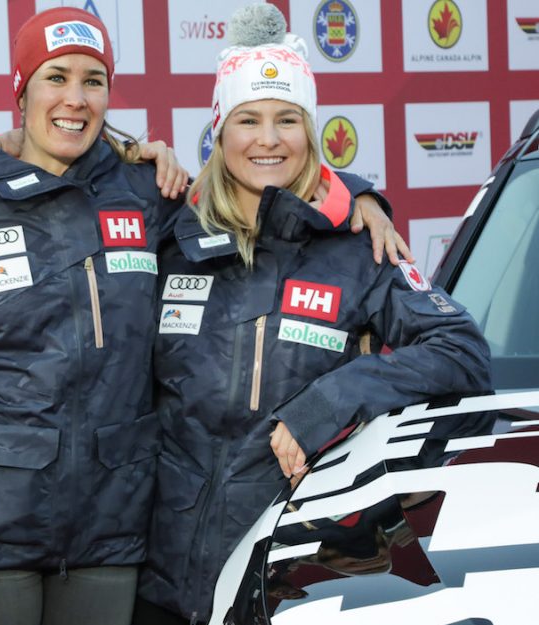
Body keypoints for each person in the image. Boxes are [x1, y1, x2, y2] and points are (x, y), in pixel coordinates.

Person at [0, 8, 401, 625]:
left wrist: (356, 194)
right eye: (54, 77)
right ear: (21, 88)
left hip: (112, 532)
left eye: (93, 81)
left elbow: (265, 199)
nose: (75, 98)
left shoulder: (149, 195)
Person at [133, 5, 492, 624]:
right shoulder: (172, 236)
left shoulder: (357, 246)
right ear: (220, 131)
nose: (268, 139)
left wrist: (328, 403)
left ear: (311, 132)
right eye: (248, 119)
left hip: (287, 579)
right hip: (153, 584)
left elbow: (459, 350)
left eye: (287, 120)